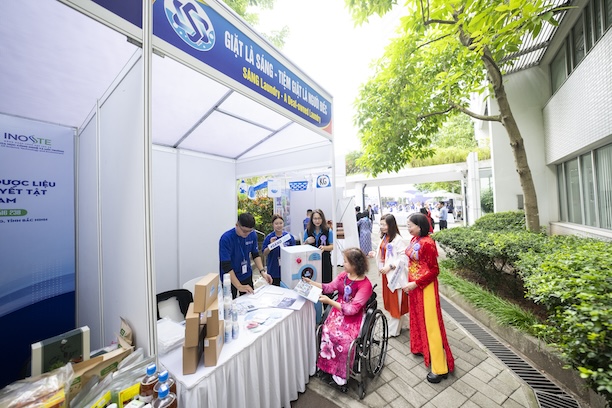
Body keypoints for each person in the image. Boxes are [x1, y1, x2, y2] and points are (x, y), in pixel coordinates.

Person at [304, 247, 373, 391]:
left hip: (353, 317)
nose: (343, 263)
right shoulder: (343, 276)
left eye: (346, 261)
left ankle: (341, 375)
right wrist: (311, 283)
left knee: (343, 339)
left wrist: (330, 302)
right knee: (326, 331)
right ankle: (327, 367)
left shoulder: (366, 285)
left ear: (355, 265)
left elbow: (352, 310)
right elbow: (329, 288)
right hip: (337, 312)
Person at [402, 213, 455, 383]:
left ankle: (440, 367)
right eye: (407, 225)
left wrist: (416, 283)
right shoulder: (414, 239)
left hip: (426, 288)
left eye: (410, 225)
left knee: (432, 325)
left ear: (420, 226)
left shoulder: (428, 243)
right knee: (418, 319)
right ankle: (422, 348)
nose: (408, 228)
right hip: (414, 286)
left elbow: (434, 271)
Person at [368, 214, 408, 337]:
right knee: (391, 302)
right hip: (386, 275)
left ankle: (393, 330)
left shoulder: (398, 240)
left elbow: (404, 257)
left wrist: (390, 266)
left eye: (384, 224)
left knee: (396, 302)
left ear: (391, 225)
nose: (381, 227)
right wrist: (375, 254)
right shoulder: (385, 237)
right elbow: (384, 254)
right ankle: (401, 324)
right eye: (380, 224)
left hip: (395, 276)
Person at [219, 213, 272, 298]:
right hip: (230, 278)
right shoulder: (226, 238)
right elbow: (226, 265)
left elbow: (255, 254)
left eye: (250, 231)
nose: (247, 234)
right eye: (244, 231)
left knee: (249, 300)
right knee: (230, 302)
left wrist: (262, 272)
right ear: (237, 225)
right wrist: (239, 286)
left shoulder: (252, 234)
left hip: (246, 274)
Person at [262, 215, 296, 286]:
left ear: (283, 224)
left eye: (280, 223)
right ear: (273, 224)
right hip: (274, 270)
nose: (279, 225)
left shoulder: (289, 237)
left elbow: (294, 252)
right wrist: (271, 245)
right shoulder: (269, 237)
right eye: (276, 223)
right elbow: (264, 253)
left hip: (287, 269)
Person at [303, 209, 334, 283]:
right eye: (315, 218)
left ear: (322, 219)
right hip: (310, 261)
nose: (317, 221)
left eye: (319, 218)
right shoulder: (307, 231)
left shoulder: (328, 231)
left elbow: (332, 246)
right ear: (312, 219)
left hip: (325, 260)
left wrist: (324, 248)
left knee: (326, 282)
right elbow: (303, 247)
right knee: (312, 280)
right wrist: (307, 242)